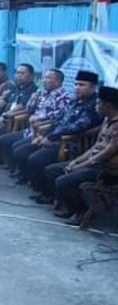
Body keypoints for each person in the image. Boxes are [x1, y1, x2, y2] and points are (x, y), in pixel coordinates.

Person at [16, 70, 101, 202]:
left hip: (72, 143)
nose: (77, 88)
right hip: (56, 139)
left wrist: (52, 137)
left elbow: (78, 127)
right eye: (76, 84)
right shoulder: (74, 101)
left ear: (93, 87)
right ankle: (40, 189)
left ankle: (49, 194)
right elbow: (58, 120)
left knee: (36, 159)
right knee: (23, 150)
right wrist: (45, 135)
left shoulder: (94, 106)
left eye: (82, 85)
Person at [44, 86, 118, 225]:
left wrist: (81, 165)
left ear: (108, 105)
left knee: (64, 181)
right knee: (52, 170)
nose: (96, 106)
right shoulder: (107, 120)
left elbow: (108, 151)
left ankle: (81, 211)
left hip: (107, 169)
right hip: (93, 162)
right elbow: (96, 146)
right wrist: (75, 162)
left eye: (98, 103)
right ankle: (68, 205)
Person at [0, 69, 70, 170]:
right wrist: (32, 100)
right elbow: (29, 110)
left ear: (58, 81)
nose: (44, 80)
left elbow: (59, 115)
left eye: (48, 78)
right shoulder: (42, 93)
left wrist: (39, 118)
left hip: (43, 130)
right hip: (31, 130)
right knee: (4, 140)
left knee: (19, 149)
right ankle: (14, 168)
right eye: (44, 77)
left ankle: (23, 175)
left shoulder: (63, 96)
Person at [0, 64, 37, 163]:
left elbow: (22, 106)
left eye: (22, 73)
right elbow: (3, 100)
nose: (18, 75)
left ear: (31, 76)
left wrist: (5, 115)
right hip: (2, 114)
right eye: (17, 72)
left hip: (12, 118)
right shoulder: (16, 87)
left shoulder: (32, 89)